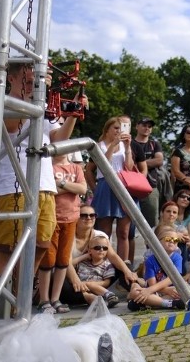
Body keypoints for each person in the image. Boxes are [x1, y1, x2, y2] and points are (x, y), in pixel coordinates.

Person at [0, 61, 81, 282]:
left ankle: (18, 299)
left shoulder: (41, 106)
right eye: (29, 81)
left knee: (41, 244)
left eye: (37, 82)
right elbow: (12, 127)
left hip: (45, 185)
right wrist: (35, 97)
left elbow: (59, 139)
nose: (34, 86)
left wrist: (73, 114)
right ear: (11, 78)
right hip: (13, 184)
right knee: (8, 247)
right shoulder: (4, 102)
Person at [36, 153, 87, 314]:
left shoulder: (76, 167)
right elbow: (49, 191)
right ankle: (43, 299)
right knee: (48, 260)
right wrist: (70, 187)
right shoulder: (47, 167)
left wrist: (61, 183)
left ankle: (55, 299)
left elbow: (83, 188)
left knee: (63, 260)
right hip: (51, 218)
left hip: (71, 218)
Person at [87, 116, 140, 263]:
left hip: (123, 186)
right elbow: (102, 166)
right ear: (107, 129)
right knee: (105, 231)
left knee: (124, 231)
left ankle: (123, 265)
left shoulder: (125, 146)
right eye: (115, 128)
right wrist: (113, 145)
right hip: (106, 186)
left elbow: (129, 167)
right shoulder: (99, 145)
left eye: (121, 128)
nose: (118, 131)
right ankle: (103, 263)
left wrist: (128, 147)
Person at [127, 230, 185, 311]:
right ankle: (170, 304)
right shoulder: (150, 260)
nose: (172, 241)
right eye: (168, 239)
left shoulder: (177, 257)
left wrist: (167, 290)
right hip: (154, 290)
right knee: (135, 292)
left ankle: (149, 304)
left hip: (169, 290)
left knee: (183, 291)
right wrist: (163, 290)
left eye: (175, 240)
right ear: (158, 242)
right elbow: (152, 284)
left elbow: (173, 278)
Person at [63, 235, 120, 308]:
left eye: (105, 248)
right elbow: (68, 264)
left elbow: (106, 283)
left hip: (97, 289)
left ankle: (109, 295)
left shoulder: (107, 265)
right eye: (97, 248)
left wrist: (88, 284)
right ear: (90, 251)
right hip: (82, 290)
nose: (101, 250)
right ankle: (98, 301)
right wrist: (84, 256)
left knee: (90, 284)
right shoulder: (82, 263)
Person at [131, 116, 165, 227]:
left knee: (152, 224)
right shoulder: (129, 143)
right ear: (136, 126)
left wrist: (139, 164)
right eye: (144, 125)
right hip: (130, 186)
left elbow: (159, 160)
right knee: (128, 225)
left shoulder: (154, 144)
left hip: (150, 187)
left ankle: (150, 245)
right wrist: (149, 162)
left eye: (150, 126)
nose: (147, 128)